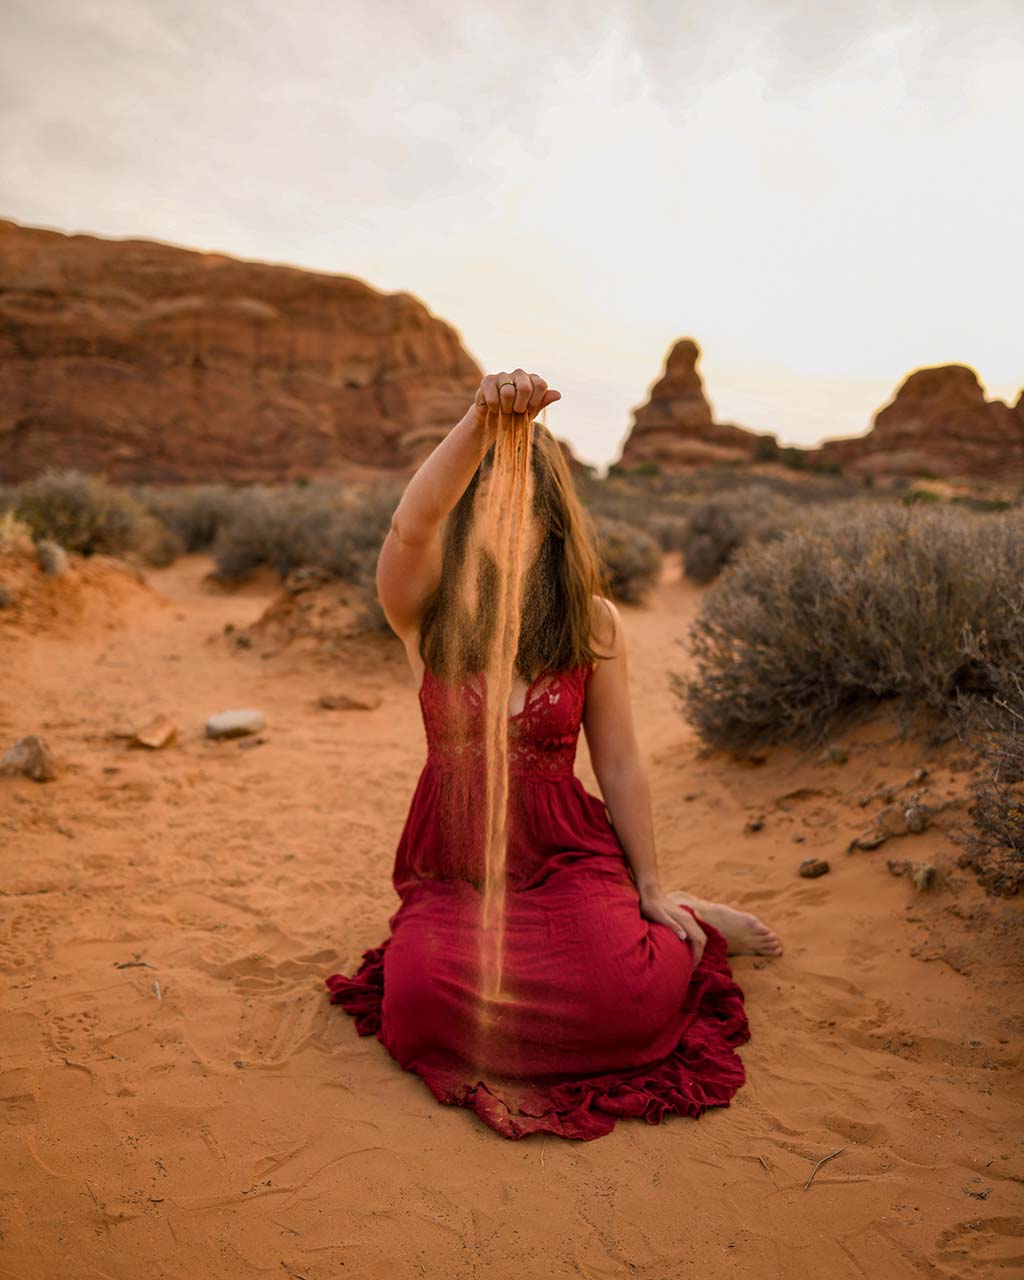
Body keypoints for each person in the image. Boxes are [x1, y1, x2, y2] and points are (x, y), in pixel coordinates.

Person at [325, 369, 782, 1141]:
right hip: (458, 863)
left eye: (523, 506)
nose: (507, 522)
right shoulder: (427, 611)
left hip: (566, 853)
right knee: (423, 1004)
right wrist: (480, 417)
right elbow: (408, 526)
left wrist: (652, 882)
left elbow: (623, 761)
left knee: (620, 1000)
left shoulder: (592, 622)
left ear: (550, 517)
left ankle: (682, 921)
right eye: (489, 502)